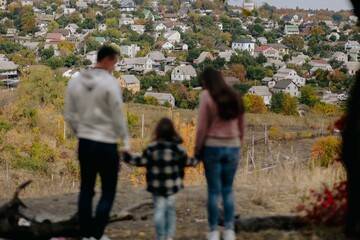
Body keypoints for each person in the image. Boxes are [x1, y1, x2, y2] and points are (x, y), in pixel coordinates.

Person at [64, 45, 130, 240]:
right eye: (115, 63)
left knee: (86, 188)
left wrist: (80, 132)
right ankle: (97, 234)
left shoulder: (76, 81)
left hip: (85, 143)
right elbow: (118, 115)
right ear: (108, 60)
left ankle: (85, 234)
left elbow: (68, 114)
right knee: (108, 190)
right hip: (106, 142)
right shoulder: (110, 84)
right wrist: (125, 141)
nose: (115, 68)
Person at [122, 118, 199, 240]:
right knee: (170, 210)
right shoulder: (178, 148)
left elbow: (141, 161)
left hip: (156, 186)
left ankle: (160, 236)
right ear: (173, 132)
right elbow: (189, 162)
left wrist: (126, 157)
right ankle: (169, 236)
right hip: (173, 186)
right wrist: (199, 156)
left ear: (157, 131)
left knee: (159, 210)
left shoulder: (152, 148)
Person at [195, 68, 245, 240]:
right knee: (228, 190)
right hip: (232, 146)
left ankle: (213, 231)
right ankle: (230, 230)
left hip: (212, 147)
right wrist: (239, 146)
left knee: (213, 191)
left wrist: (197, 149)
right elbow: (241, 126)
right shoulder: (235, 95)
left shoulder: (207, 96)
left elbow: (202, 127)